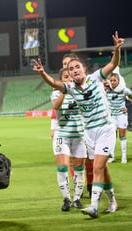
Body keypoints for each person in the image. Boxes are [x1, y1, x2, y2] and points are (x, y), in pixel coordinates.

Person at [32, 31, 124, 218]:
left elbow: (113, 64)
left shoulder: (96, 78)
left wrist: (116, 49)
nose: (74, 71)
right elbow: (54, 84)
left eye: (77, 67)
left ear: (84, 69)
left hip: (105, 128)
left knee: (98, 167)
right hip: (89, 132)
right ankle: (112, 199)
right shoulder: (71, 88)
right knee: (103, 169)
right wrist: (42, 73)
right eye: (71, 69)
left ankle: (94, 206)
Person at [51, 67, 86, 211]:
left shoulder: (82, 92)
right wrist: (65, 92)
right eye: (66, 77)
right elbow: (56, 106)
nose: (69, 78)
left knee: (79, 169)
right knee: (62, 167)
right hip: (62, 135)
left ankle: (77, 199)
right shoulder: (56, 93)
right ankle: (66, 199)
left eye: (70, 76)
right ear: (61, 80)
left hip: (78, 135)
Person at [105, 73, 132, 163]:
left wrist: (127, 108)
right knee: (112, 136)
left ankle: (124, 157)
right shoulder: (107, 90)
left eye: (114, 80)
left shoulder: (124, 90)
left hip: (121, 115)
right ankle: (112, 156)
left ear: (118, 81)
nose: (112, 82)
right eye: (111, 80)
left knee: (122, 135)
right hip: (112, 116)